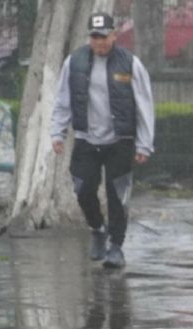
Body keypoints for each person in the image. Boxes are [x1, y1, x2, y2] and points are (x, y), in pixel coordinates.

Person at [51, 12, 154, 269]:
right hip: (87, 139)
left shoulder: (130, 64)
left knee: (118, 195)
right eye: (95, 37)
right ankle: (97, 228)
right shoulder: (74, 62)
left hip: (120, 140)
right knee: (83, 189)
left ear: (114, 35)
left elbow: (144, 105)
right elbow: (63, 99)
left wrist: (144, 143)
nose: (100, 42)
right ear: (90, 38)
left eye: (104, 36)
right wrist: (58, 132)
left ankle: (116, 247)